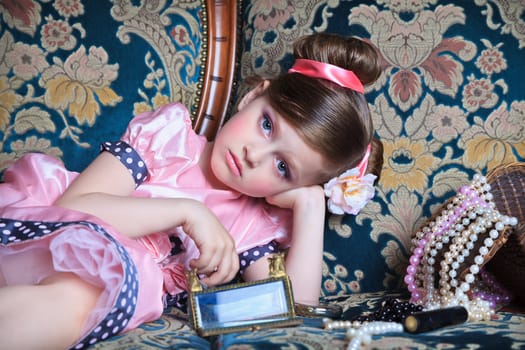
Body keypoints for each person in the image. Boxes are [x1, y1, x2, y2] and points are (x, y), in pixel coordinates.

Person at [0, 33, 383, 349]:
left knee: (74, 300)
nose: (254, 155)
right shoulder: (168, 140)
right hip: (40, 236)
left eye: (283, 168)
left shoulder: (253, 224)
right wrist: (187, 211)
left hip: (88, 291)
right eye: (267, 125)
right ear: (252, 98)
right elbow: (74, 208)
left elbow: (295, 310)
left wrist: (310, 204)